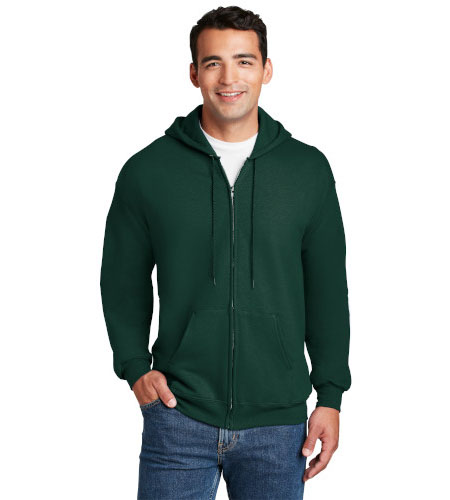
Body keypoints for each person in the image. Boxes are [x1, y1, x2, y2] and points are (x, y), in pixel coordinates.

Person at [100, 6, 351, 499]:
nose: (229, 77)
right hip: (178, 417)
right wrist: (134, 367)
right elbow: (122, 280)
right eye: (213, 63)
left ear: (266, 69)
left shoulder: (307, 170)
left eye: (244, 61)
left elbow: (326, 290)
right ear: (194, 73)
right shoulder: (148, 171)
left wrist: (331, 396)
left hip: (279, 426)